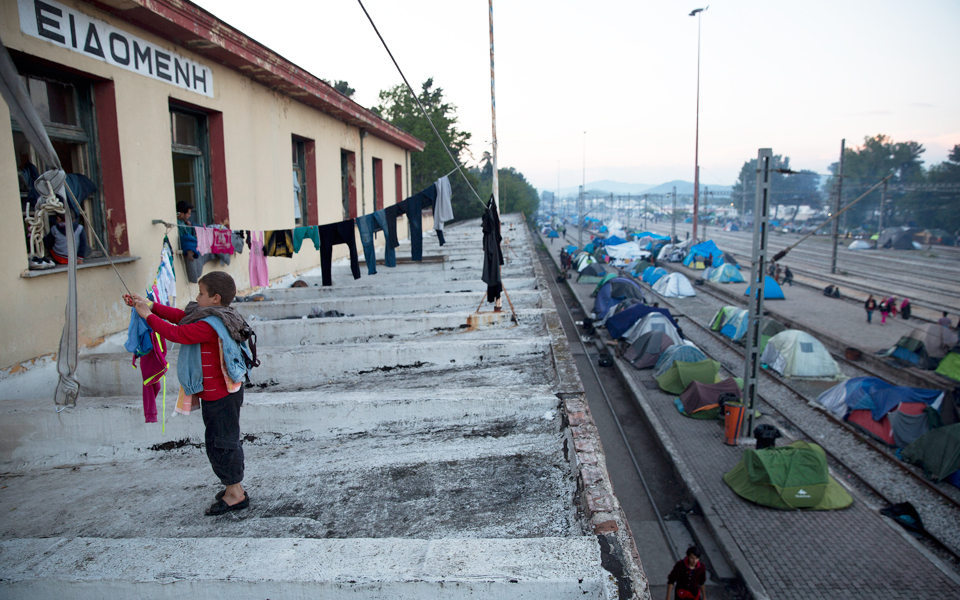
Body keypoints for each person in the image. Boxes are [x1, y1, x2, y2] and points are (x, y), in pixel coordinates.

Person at [125, 271, 252, 515]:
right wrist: (149, 304)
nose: (197, 297)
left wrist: (148, 316)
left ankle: (235, 493)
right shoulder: (215, 313)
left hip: (221, 396)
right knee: (222, 439)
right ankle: (233, 486)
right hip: (222, 393)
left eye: (201, 293)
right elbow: (182, 316)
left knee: (222, 443)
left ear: (214, 298)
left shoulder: (209, 325)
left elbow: (177, 333)